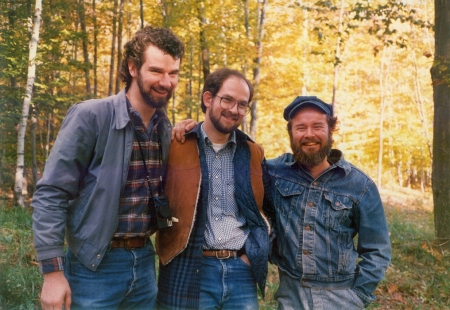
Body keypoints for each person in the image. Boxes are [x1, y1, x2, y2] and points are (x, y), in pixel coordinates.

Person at [31, 26, 185, 310]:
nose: (166, 82)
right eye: (156, 71)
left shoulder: (165, 129)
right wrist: (52, 272)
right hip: (94, 267)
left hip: (144, 265)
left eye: (173, 73)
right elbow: (52, 192)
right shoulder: (92, 116)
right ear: (132, 68)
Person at [156, 68, 270, 309]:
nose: (233, 109)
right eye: (227, 99)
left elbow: (269, 210)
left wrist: (250, 257)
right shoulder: (177, 145)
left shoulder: (253, 153)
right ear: (208, 99)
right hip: (187, 265)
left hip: (241, 270)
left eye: (242, 104)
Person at [263, 96, 391, 309]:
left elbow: (378, 249)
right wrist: (190, 130)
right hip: (290, 297)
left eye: (318, 126)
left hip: (341, 298)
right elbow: (234, 159)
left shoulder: (359, 185)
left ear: (331, 130)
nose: (309, 134)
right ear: (291, 133)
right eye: (300, 128)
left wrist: (357, 295)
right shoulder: (274, 173)